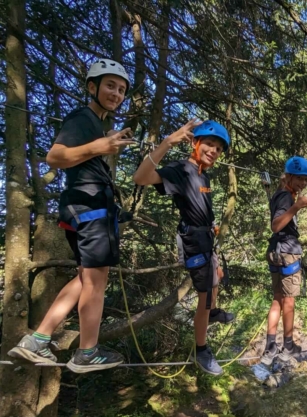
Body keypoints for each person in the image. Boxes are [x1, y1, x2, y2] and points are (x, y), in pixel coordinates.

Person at [9, 59, 135, 373]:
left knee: (85, 278)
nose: (116, 93)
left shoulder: (96, 124)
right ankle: (87, 352)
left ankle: (37, 340)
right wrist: (99, 145)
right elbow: (55, 156)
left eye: (121, 90)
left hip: (88, 211)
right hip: (90, 211)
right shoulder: (83, 117)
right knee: (96, 278)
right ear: (92, 87)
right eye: (110, 86)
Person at [133, 119, 234, 376]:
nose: (214, 151)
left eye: (218, 148)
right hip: (193, 242)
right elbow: (141, 177)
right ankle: (202, 350)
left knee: (216, 278)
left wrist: (212, 225)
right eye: (209, 144)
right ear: (194, 143)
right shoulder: (180, 169)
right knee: (205, 297)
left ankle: (210, 313)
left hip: (205, 239)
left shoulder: (204, 175)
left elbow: (200, 204)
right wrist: (167, 143)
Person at [260, 157, 307, 365]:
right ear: (289, 176)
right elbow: (276, 225)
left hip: (276, 251)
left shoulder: (280, 194)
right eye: (300, 179)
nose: (303, 184)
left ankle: (270, 347)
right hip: (287, 251)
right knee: (289, 301)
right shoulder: (285, 198)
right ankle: (288, 346)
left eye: (306, 180)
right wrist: (296, 207)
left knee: (277, 300)